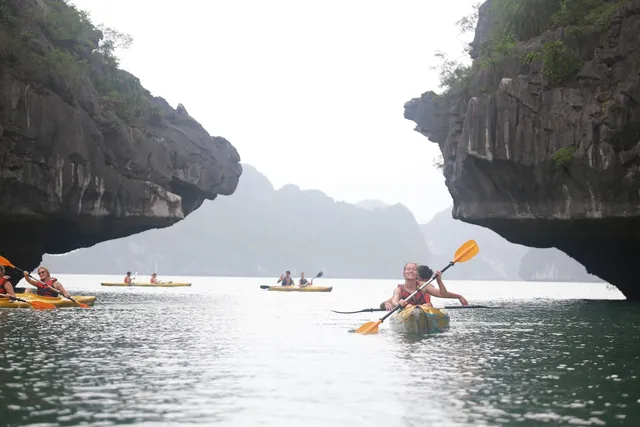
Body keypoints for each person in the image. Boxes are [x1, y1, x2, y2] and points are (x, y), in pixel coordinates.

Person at [380, 262, 468, 311]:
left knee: (428, 305)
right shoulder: (398, 289)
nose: (411, 271)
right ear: (403, 273)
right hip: (407, 310)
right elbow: (394, 301)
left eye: (414, 269)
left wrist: (439, 281)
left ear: (417, 274)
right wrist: (397, 304)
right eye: (408, 269)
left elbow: (442, 294)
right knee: (408, 306)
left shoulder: (424, 286)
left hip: (424, 310)